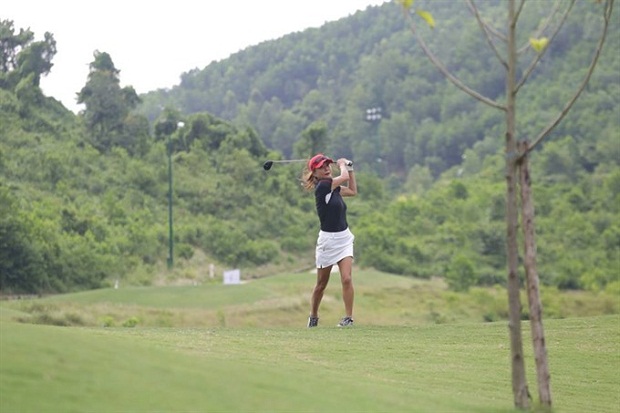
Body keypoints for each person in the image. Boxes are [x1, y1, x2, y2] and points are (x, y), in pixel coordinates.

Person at [302, 153, 357, 328]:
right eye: (321, 167)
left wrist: (350, 169)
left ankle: (348, 318)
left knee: (347, 279)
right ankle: (313, 316)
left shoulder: (333, 187)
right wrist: (342, 165)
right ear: (315, 173)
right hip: (328, 242)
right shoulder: (323, 187)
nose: (326, 168)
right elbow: (343, 177)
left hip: (344, 238)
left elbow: (353, 191)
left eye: (327, 165)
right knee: (321, 285)